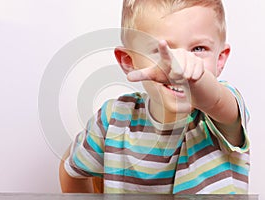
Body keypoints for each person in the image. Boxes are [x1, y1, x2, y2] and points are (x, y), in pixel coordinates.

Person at [59, 0, 250, 194]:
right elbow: (71, 170)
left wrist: (197, 79)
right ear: (129, 60)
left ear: (220, 59)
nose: (178, 67)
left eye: (198, 49)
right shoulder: (112, 120)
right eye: (161, 51)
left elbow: (215, 99)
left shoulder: (221, 112)